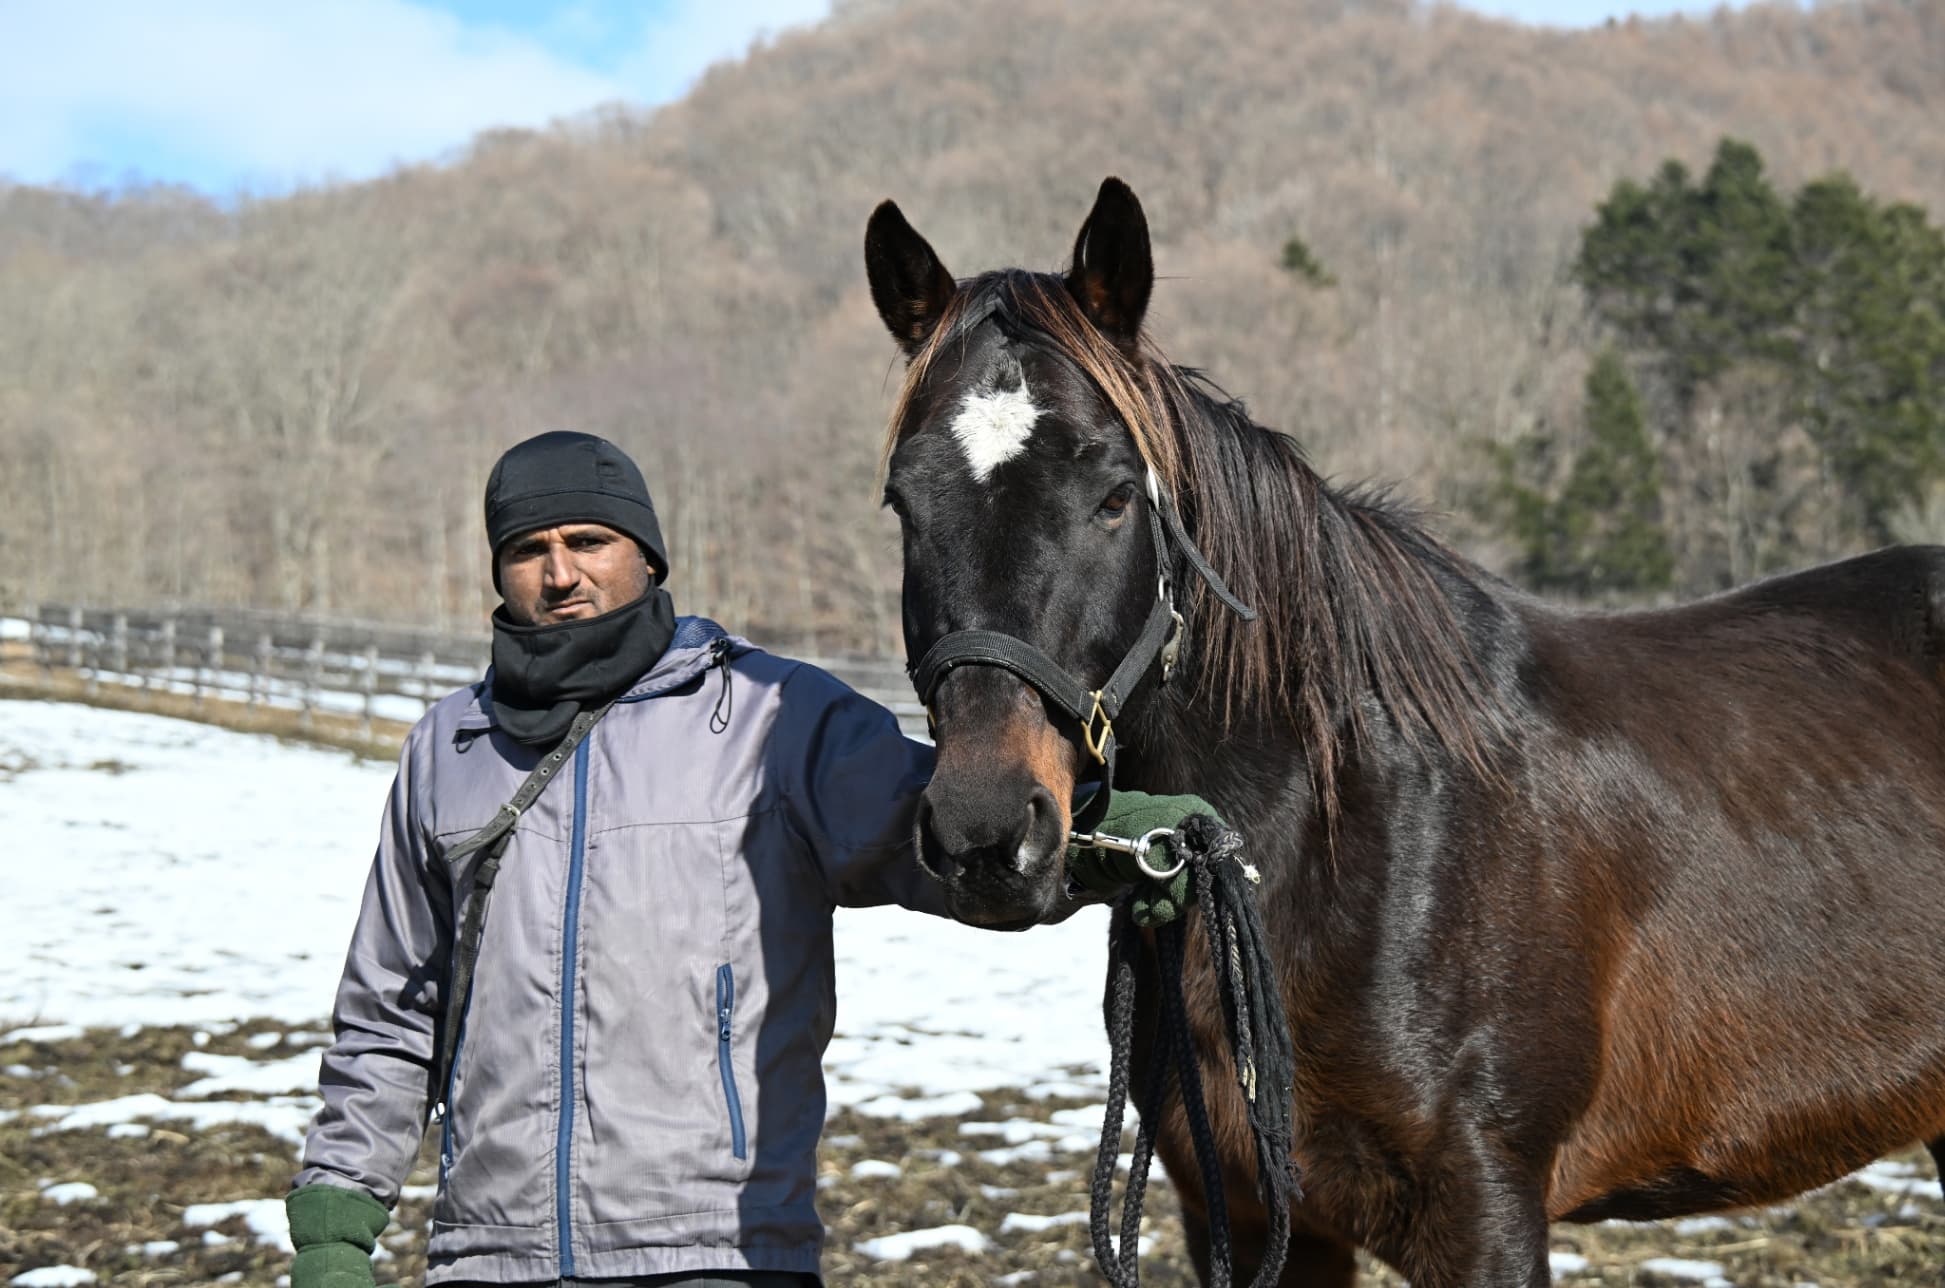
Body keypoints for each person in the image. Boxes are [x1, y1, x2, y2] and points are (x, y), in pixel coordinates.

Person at [285, 430, 1174, 1288]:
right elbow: (391, 1010)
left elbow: (948, 838)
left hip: (719, 1251)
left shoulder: (771, 715)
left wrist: (1122, 840)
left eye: (588, 540)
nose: (560, 575)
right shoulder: (452, 746)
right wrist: (335, 1224)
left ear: (646, 555)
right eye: (529, 550)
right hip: (487, 1253)